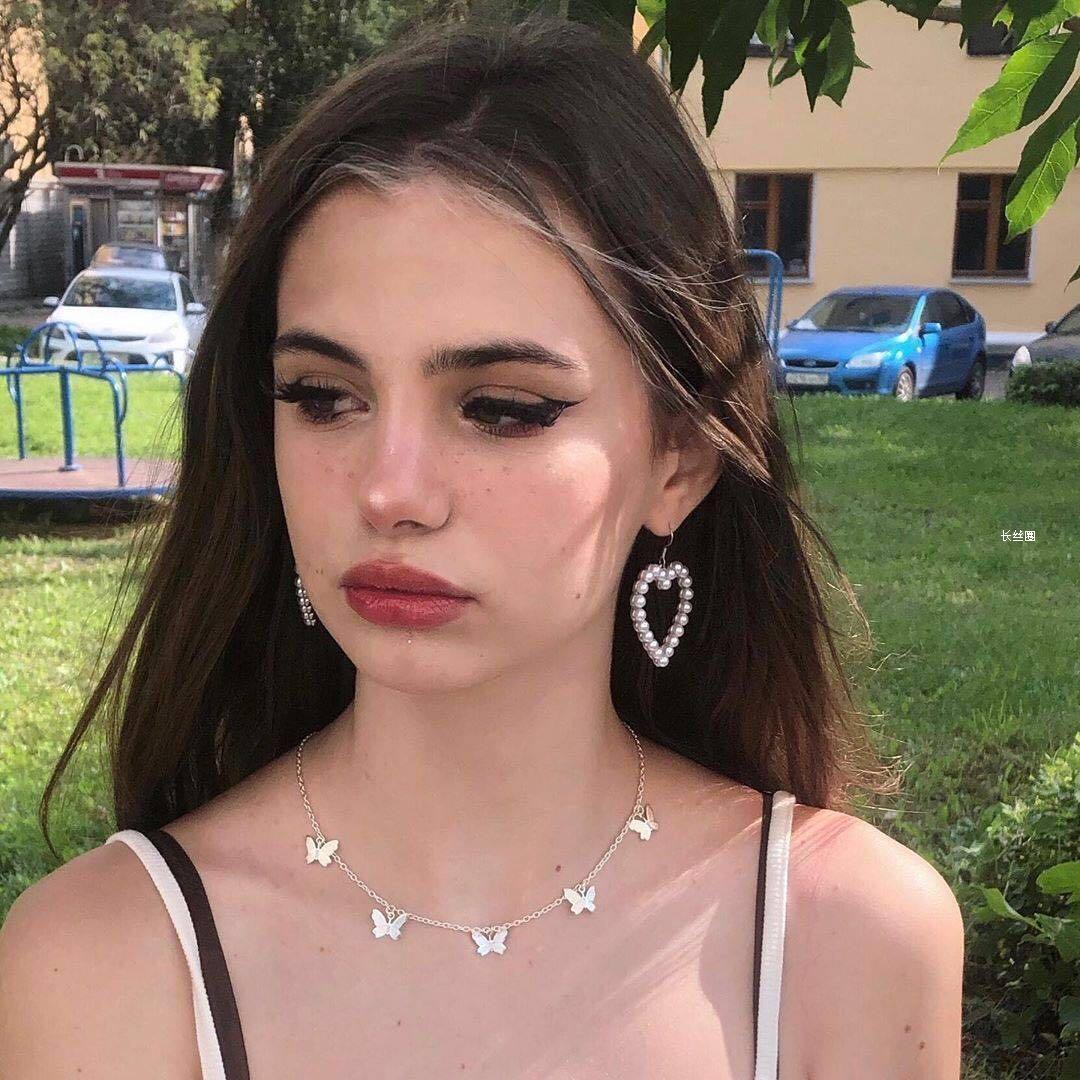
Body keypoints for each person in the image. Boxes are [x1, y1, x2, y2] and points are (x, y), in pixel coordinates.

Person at [0, 10, 963, 1078]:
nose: (390, 490)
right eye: (323, 396)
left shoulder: (850, 941)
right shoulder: (100, 962)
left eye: (503, 408)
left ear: (679, 459)